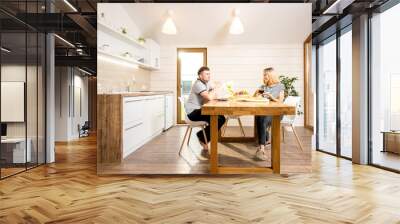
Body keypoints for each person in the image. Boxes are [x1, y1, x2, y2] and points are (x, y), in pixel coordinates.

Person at [185, 66, 226, 154]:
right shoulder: (198, 84)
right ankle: (202, 137)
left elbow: (212, 95)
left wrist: (214, 89)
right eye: (206, 74)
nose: (209, 76)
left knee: (222, 118)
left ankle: (203, 137)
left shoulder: (205, 84)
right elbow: (209, 97)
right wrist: (215, 89)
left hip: (199, 110)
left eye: (209, 74)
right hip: (192, 113)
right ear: (200, 76)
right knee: (217, 119)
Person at [253, 67, 285, 161]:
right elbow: (254, 98)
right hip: (265, 111)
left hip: (276, 113)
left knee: (261, 119)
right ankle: (264, 140)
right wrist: (257, 93)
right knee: (259, 116)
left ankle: (261, 148)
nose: (264, 77)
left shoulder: (280, 86)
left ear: (271, 75)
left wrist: (271, 96)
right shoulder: (263, 87)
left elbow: (280, 101)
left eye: (266, 75)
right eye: (263, 75)